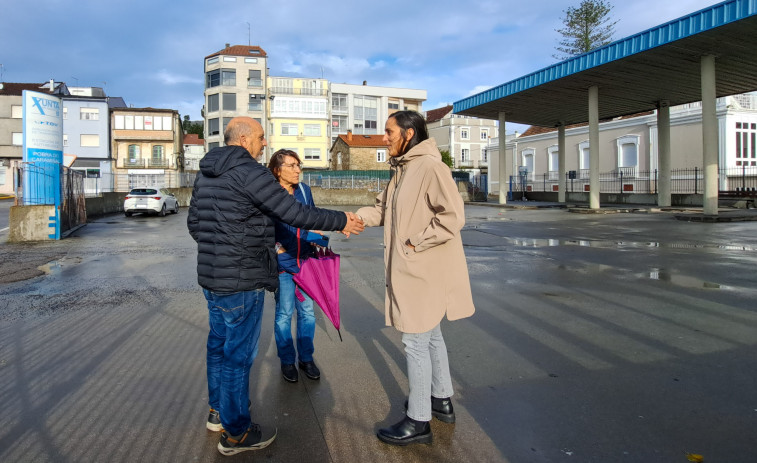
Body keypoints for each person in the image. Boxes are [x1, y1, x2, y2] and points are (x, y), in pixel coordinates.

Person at [187, 117, 364, 456]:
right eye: (260, 137)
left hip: (212, 278)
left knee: (218, 347)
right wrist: (342, 220)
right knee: (237, 357)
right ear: (242, 139)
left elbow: (195, 224)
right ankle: (236, 433)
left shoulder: (206, 173)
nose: (263, 143)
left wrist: (221, 249)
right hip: (241, 280)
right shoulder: (251, 173)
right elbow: (294, 212)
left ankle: (217, 413)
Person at [355, 110, 475, 446]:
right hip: (416, 269)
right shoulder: (402, 170)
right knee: (432, 334)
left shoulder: (430, 167)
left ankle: (419, 420)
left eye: (389, 132)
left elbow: (452, 217)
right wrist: (351, 218)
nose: (385, 138)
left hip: (423, 269)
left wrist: (413, 243)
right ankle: (441, 399)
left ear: (409, 134)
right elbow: (382, 210)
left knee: (415, 342)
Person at [267, 149, 325, 383]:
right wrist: (277, 249)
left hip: (306, 263)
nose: (297, 170)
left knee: (308, 314)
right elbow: (264, 227)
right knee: (283, 314)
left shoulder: (304, 190)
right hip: (283, 266)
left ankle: (306, 358)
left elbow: (310, 218)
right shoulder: (270, 194)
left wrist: (316, 236)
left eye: (298, 165)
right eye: (291, 166)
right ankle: (287, 361)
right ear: (276, 170)